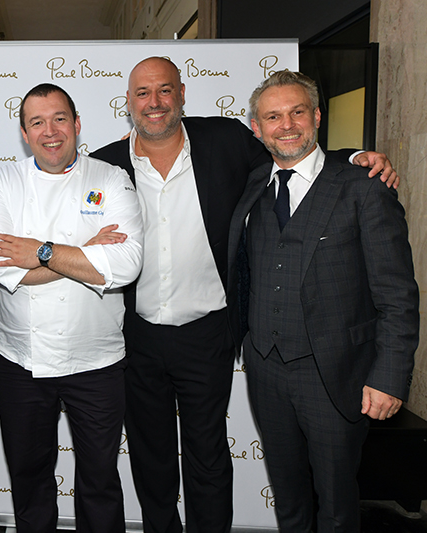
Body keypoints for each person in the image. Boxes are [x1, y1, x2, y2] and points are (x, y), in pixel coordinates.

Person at [90, 57, 398, 533]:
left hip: (209, 332)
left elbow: (293, 158)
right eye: (143, 93)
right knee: (150, 457)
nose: (155, 103)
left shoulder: (225, 140)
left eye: (165, 90)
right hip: (138, 337)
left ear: (182, 93)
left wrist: (355, 157)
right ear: (128, 102)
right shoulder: (105, 165)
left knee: (208, 455)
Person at [229, 70, 419, 532]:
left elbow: (397, 294)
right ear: (257, 128)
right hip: (266, 368)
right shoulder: (253, 182)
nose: (286, 124)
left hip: (336, 374)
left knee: (336, 504)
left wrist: (390, 378)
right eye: (272, 116)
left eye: (297, 112)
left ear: (316, 116)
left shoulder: (364, 186)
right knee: (289, 497)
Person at [0, 83, 143, 533]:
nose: (50, 131)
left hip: (98, 361)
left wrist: (43, 251)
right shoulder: (5, 182)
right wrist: (86, 251)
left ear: (77, 124)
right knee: (30, 479)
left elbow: (125, 265)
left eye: (59, 119)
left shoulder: (110, 178)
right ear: (25, 134)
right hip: (21, 361)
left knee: (100, 480)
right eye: (37, 122)